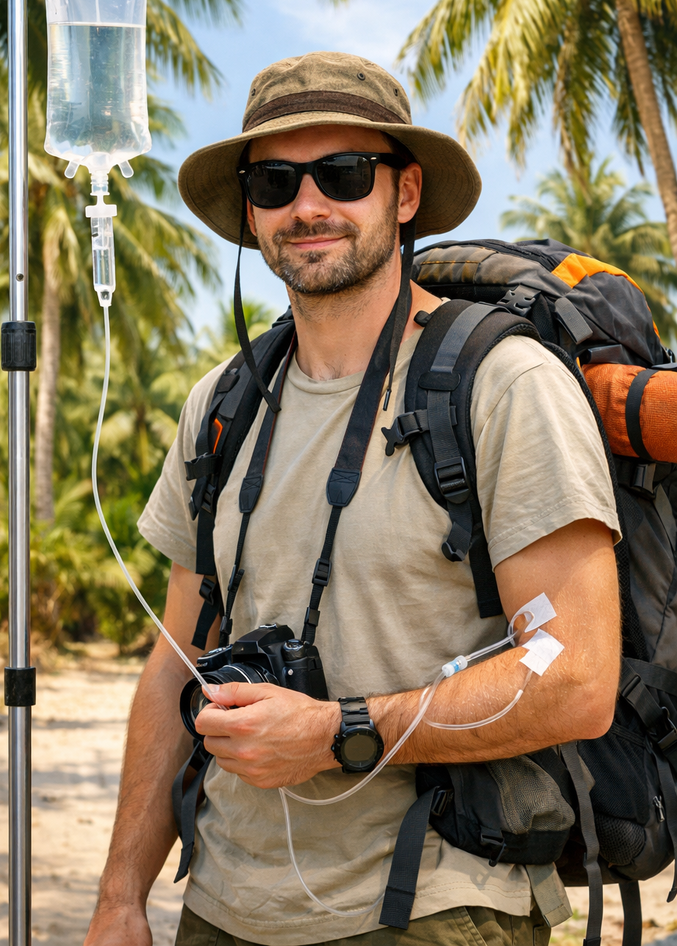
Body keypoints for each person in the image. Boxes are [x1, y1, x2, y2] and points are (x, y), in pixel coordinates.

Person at [84, 52, 621, 946]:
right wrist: (120, 896)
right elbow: (177, 660)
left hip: (435, 907)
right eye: (275, 181)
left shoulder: (501, 384)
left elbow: (576, 676)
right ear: (250, 209)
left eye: (343, 174)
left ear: (405, 194)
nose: (308, 206)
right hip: (220, 905)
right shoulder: (222, 401)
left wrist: (340, 732)